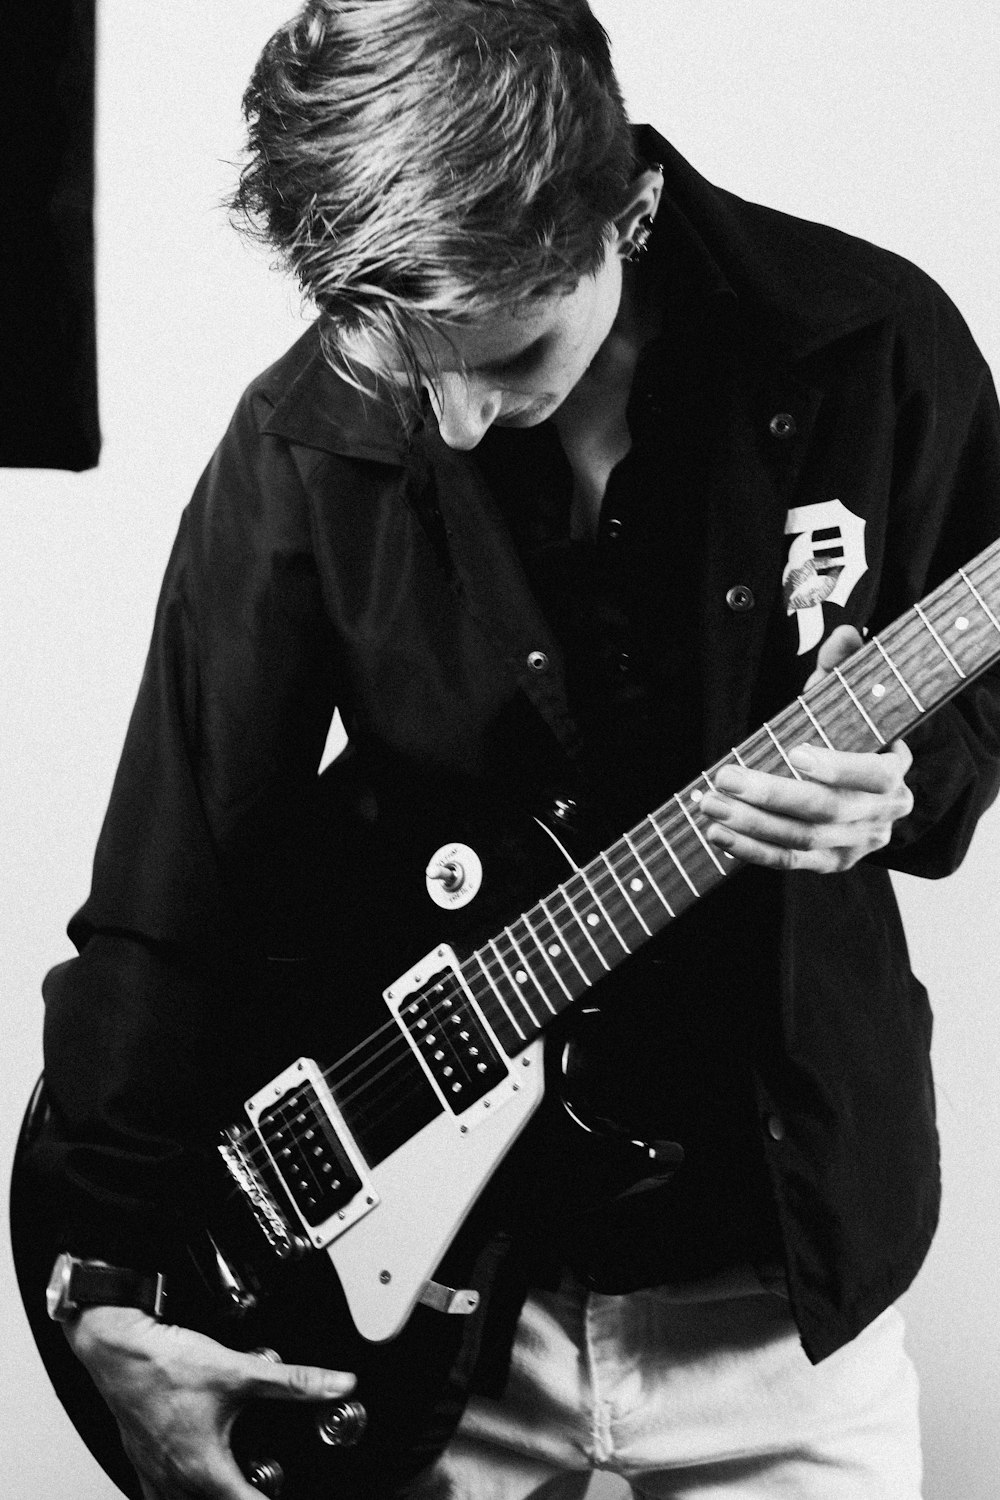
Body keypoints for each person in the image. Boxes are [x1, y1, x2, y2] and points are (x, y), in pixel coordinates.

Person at [26, 2, 1000, 1497]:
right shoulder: (307, 433)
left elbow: (961, 739)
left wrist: (904, 786)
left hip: (780, 1296)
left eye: (513, 352)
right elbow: (173, 891)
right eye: (419, 371)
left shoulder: (877, 349)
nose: (463, 423)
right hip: (431, 1324)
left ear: (629, 205)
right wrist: (97, 1291)